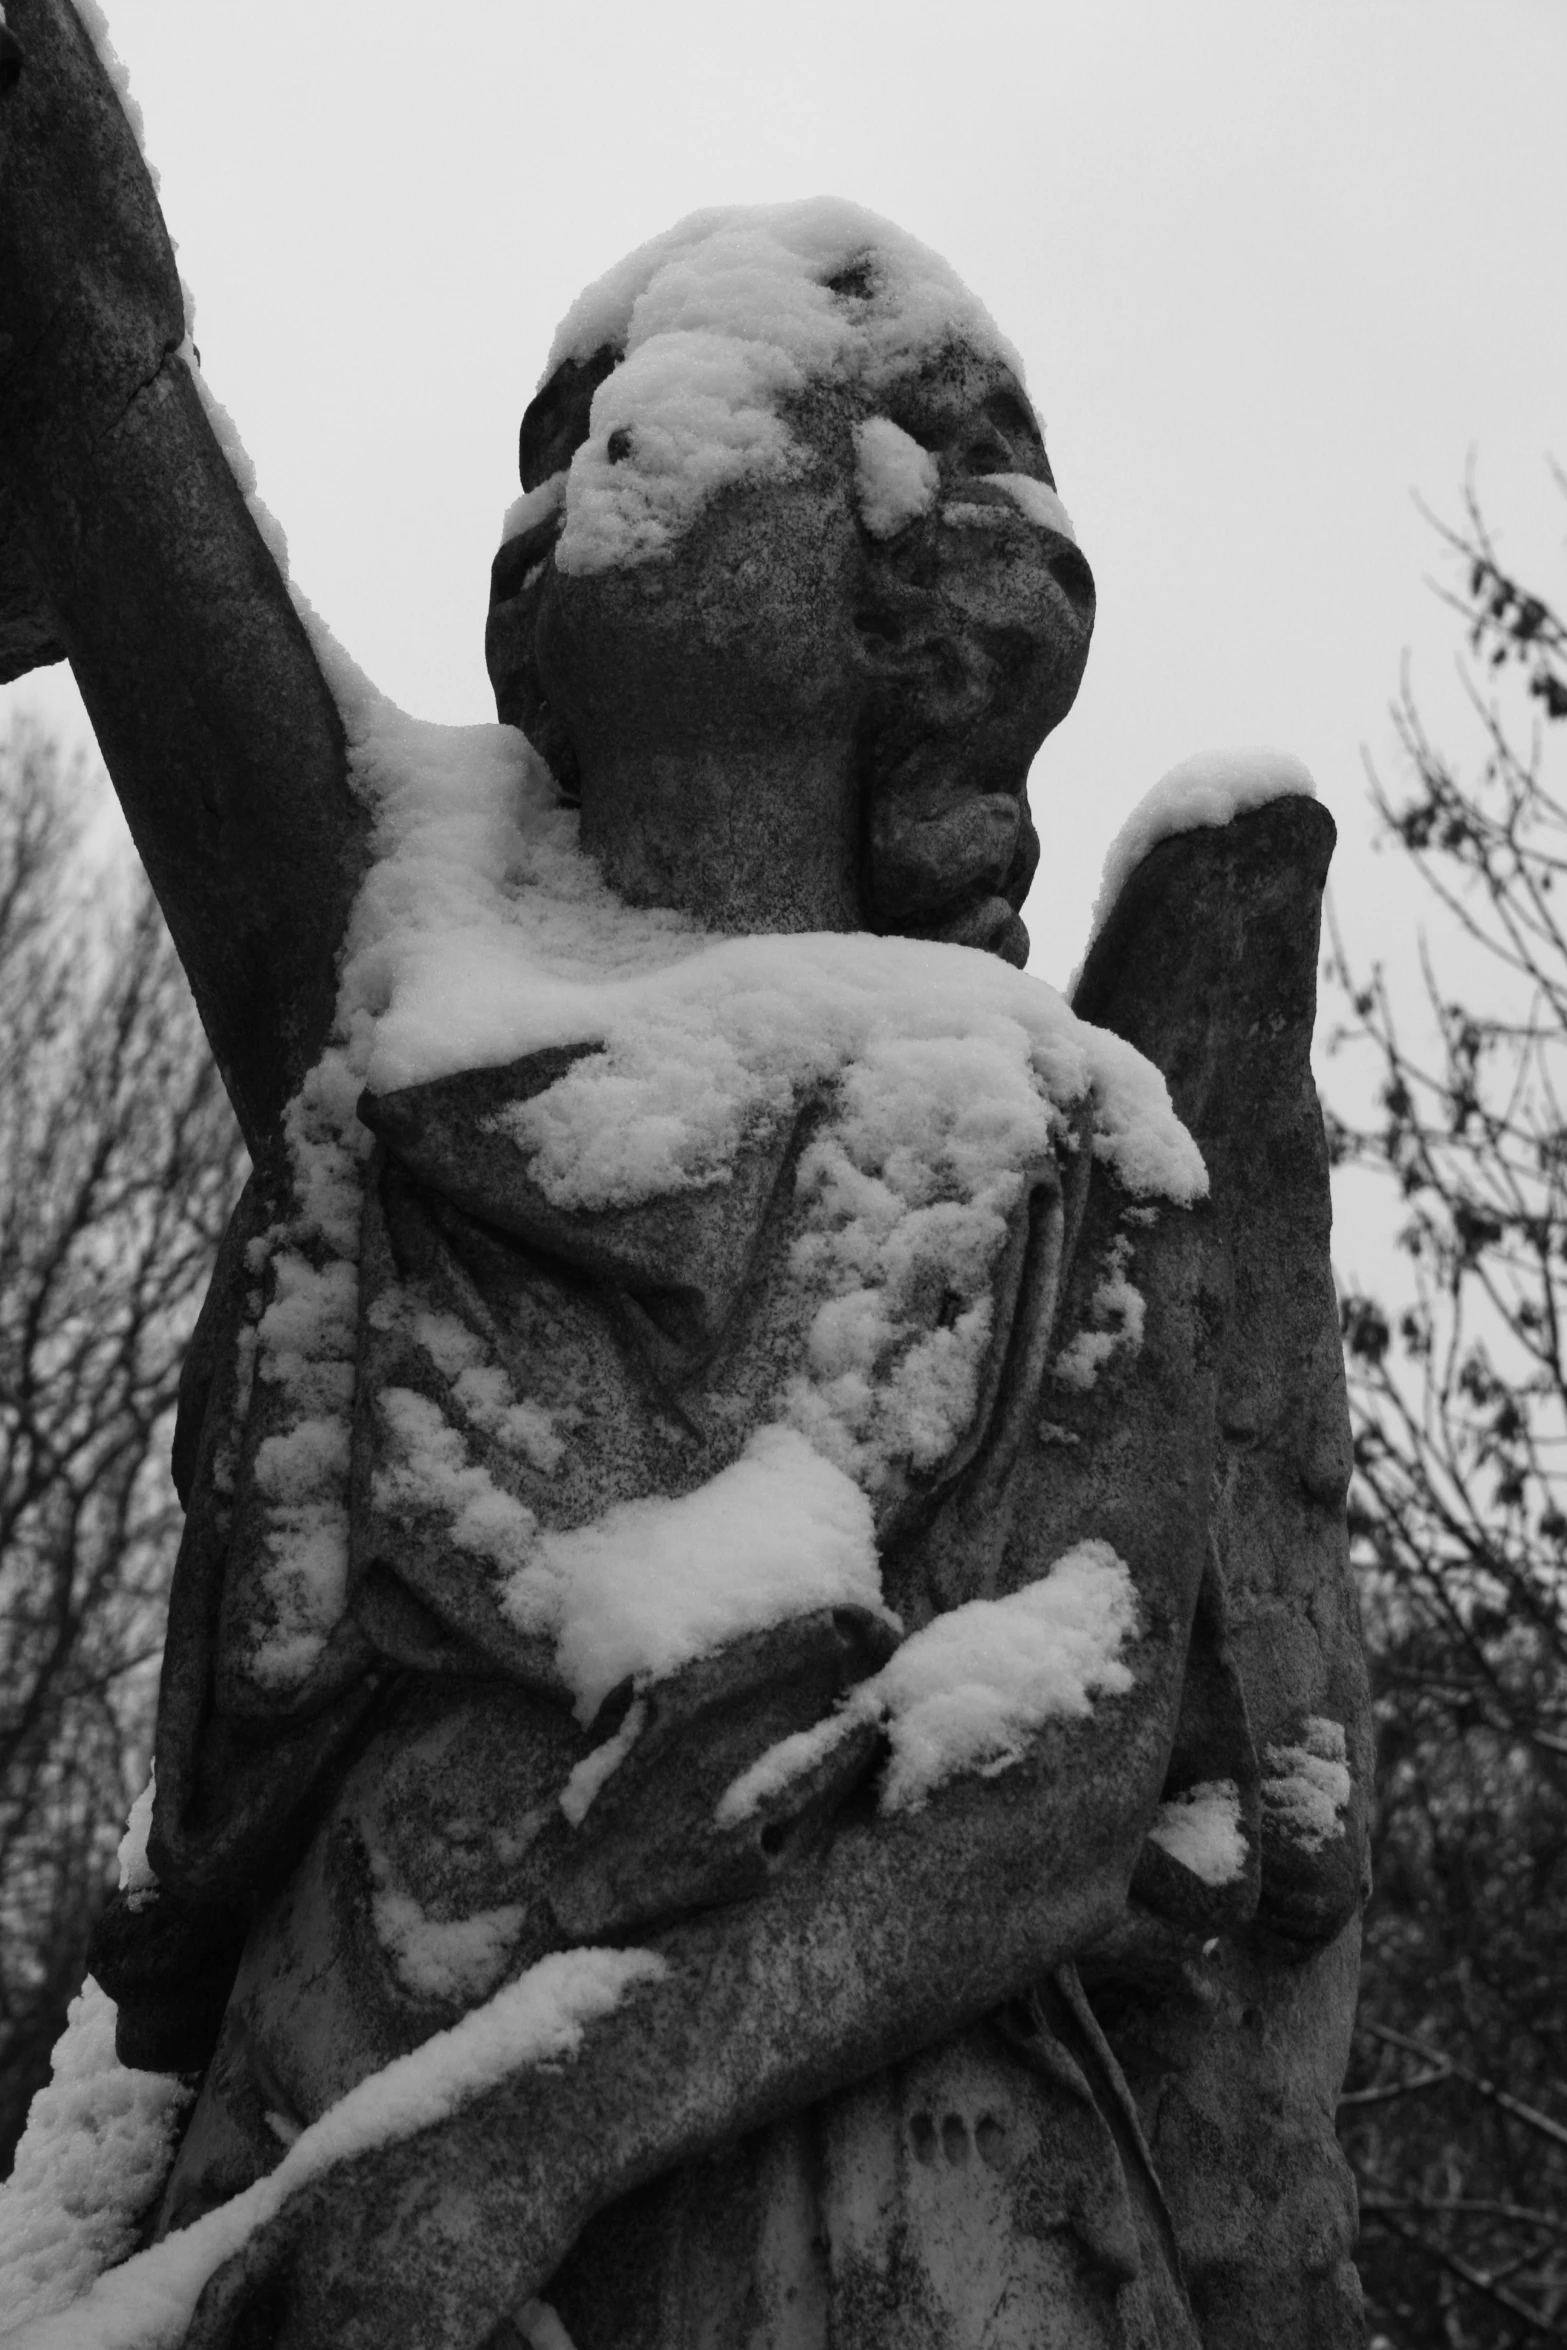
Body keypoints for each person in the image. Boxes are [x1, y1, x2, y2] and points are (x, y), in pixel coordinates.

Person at [0, 13, 1369, 2348]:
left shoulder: (1045, 1121)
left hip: (862, 2194)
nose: (567, 478)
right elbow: (133, 467)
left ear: (901, 547)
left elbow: (1056, 1755)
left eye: (661, 409)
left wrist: (539, 2131)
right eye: (538, 450)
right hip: (327, 2105)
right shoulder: (404, 969)